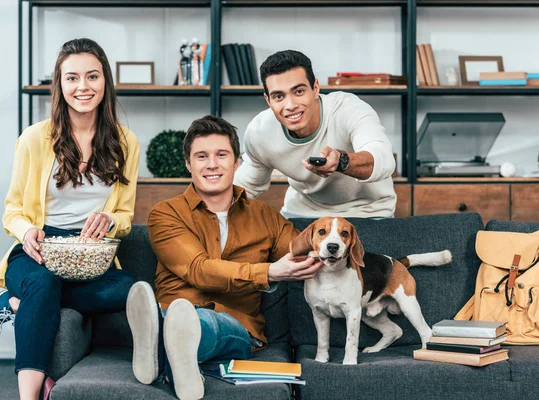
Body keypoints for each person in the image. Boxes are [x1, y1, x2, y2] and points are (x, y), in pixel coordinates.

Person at [126, 115, 322, 400]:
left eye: (221, 155)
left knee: (202, 323)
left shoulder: (265, 216)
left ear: (237, 162)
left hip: (235, 325)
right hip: (175, 309)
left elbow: (304, 251)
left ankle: (157, 346)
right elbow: (198, 269)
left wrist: (327, 246)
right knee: (180, 315)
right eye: (201, 156)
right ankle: (173, 351)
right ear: (188, 164)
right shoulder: (165, 214)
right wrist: (268, 272)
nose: (212, 164)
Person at [0, 38, 140, 400]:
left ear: (105, 81)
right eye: (72, 78)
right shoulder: (34, 138)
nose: (83, 87)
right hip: (39, 249)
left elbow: (125, 215)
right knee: (43, 283)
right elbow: (12, 211)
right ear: (59, 85)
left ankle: (13, 302)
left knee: (131, 290)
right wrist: (28, 230)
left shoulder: (126, 142)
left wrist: (110, 219)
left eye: (92, 76)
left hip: (91, 256)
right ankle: (29, 396)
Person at [233, 49, 397, 219]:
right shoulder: (260, 131)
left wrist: (341, 161)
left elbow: (383, 159)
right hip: (302, 214)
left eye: (298, 92)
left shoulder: (348, 109)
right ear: (268, 100)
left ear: (315, 88)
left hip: (368, 212)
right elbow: (247, 185)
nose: (290, 105)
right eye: (279, 96)